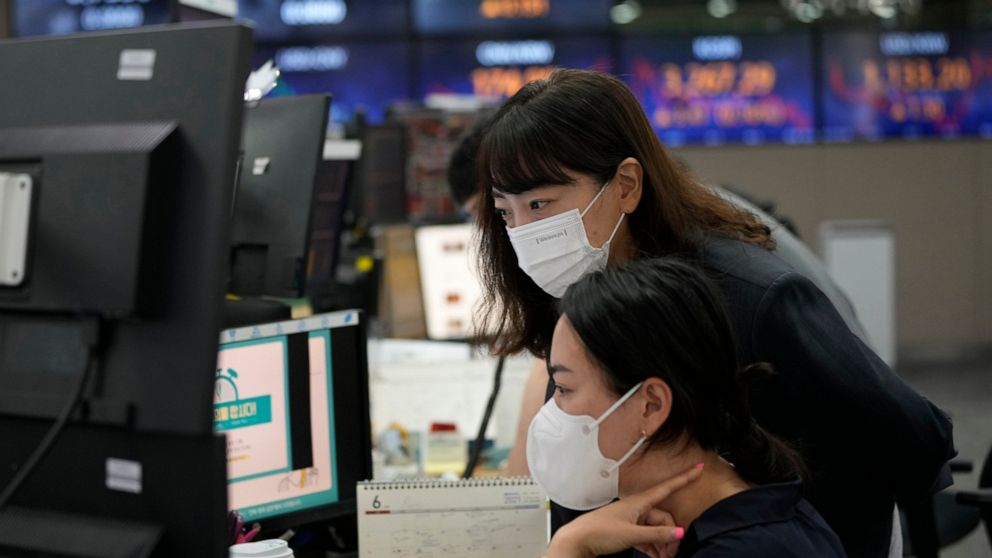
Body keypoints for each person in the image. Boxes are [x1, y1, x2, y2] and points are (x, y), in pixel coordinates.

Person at [473, 68, 955, 558]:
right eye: (506, 212)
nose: (522, 234)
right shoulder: (583, 287)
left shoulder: (752, 297)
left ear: (625, 185)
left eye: (540, 204)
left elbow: (913, 441)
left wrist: (783, 527)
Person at [539, 258, 846, 557]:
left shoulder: (745, 548)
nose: (553, 408)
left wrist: (568, 546)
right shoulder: (697, 523)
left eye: (564, 388)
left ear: (651, 406)